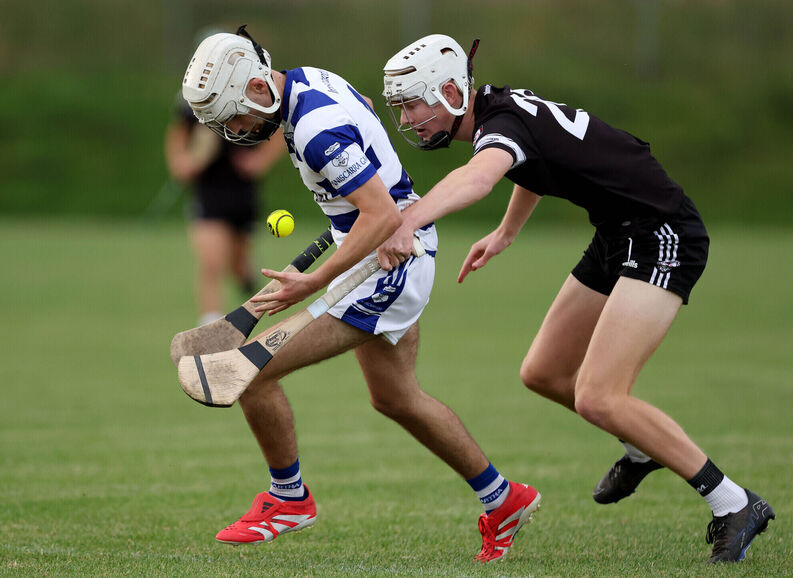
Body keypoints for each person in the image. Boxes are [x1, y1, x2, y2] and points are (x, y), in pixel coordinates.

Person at [379, 34, 775, 563]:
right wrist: (506, 233)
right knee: (542, 372)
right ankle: (640, 448)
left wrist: (409, 220)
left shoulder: (498, 125)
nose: (407, 120)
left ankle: (734, 503)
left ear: (450, 91)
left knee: (599, 396)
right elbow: (530, 162)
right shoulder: (501, 111)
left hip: (662, 233)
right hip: (618, 232)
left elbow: (479, 177)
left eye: (411, 105)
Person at [180, 26, 540, 563]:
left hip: (389, 258)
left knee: (249, 372)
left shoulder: (315, 131)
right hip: (384, 248)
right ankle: (504, 498)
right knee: (395, 397)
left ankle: (289, 500)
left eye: (231, 116)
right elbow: (365, 109)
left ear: (258, 86)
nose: (233, 130)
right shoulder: (305, 81)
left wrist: (313, 281)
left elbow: (382, 216)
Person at [165, 88, 285, 326]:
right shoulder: (193, 96)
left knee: (239, 267)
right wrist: (181, 163)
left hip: (243, 191)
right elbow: (178, 133)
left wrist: (260, 160)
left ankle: (244, 272)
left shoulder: (249, 91)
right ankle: (211, 327)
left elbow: (282, 128)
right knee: (211, 263)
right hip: (208, 191)